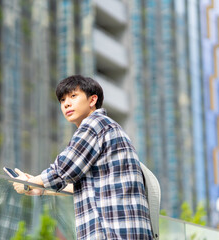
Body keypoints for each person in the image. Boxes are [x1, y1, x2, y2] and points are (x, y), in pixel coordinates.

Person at [13, 75, 153, 239]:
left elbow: (63, 169)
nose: (66, 104)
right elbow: (85, 186)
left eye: (73, 96)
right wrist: (40, 189)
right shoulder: (109, 126)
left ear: (92, 100)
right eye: (62, 100)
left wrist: (28, 183)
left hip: (111, 233)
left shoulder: (95, 124)